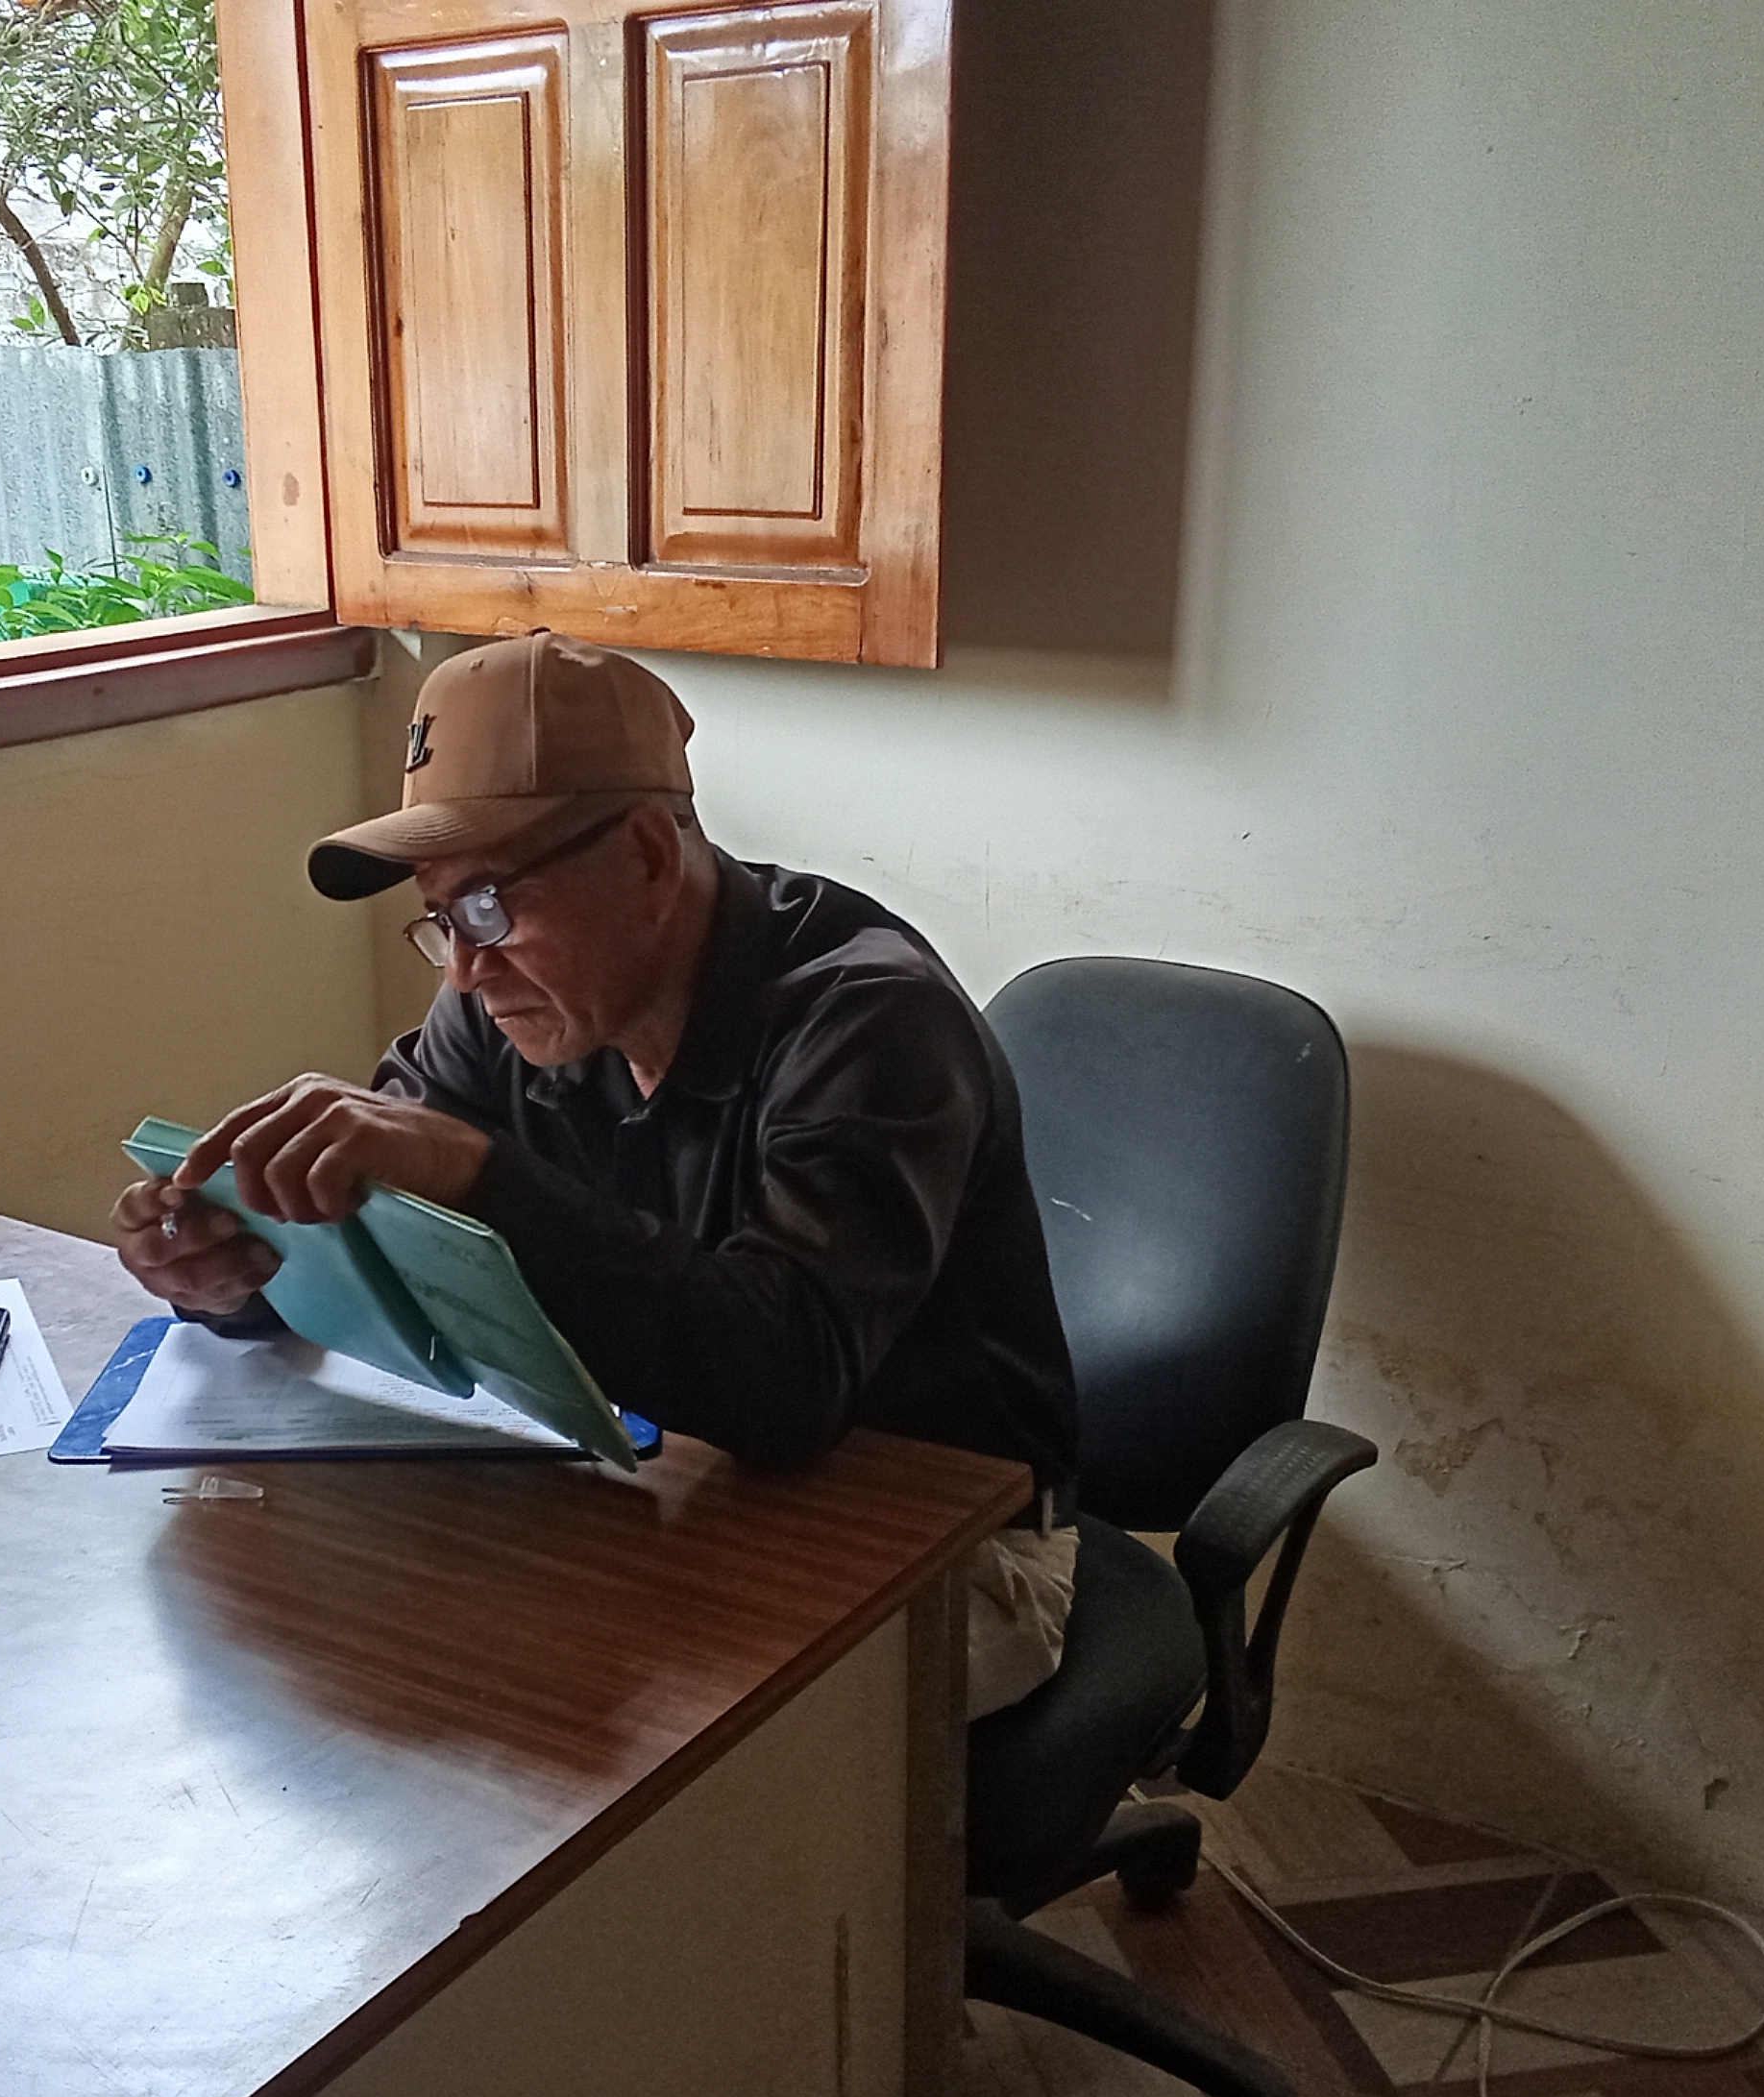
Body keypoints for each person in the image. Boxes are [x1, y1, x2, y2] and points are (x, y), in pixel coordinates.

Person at [110, 629, 1085, 1717]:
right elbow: (385, 1242)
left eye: (489, 904)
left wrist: (478, 1173)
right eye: (441, 919)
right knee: (360, 1648)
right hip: (676, 1481)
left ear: (650, 859)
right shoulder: (507, 1006)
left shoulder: (872, 1022)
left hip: (947, 1547)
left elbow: (786, 1388)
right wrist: (239, 1270)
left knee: (591, 1726)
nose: (466, 969)